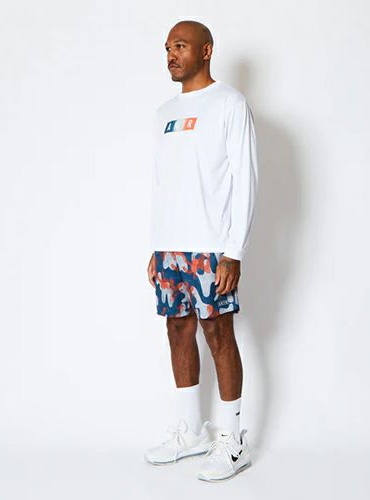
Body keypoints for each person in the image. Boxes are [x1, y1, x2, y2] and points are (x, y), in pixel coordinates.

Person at [144, 20, 258, 482]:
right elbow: (163, 184)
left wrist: (234, 250)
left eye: (181, 46)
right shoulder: (164, 113)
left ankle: (232, 442)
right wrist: (157, 246)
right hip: (171, 248)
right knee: (177, 329)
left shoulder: (230, 104)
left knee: (218, 333)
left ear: (206, 51)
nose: (171, 55)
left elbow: (245, 178)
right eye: (168, 47)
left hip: (212, 246)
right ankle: (190, 432)